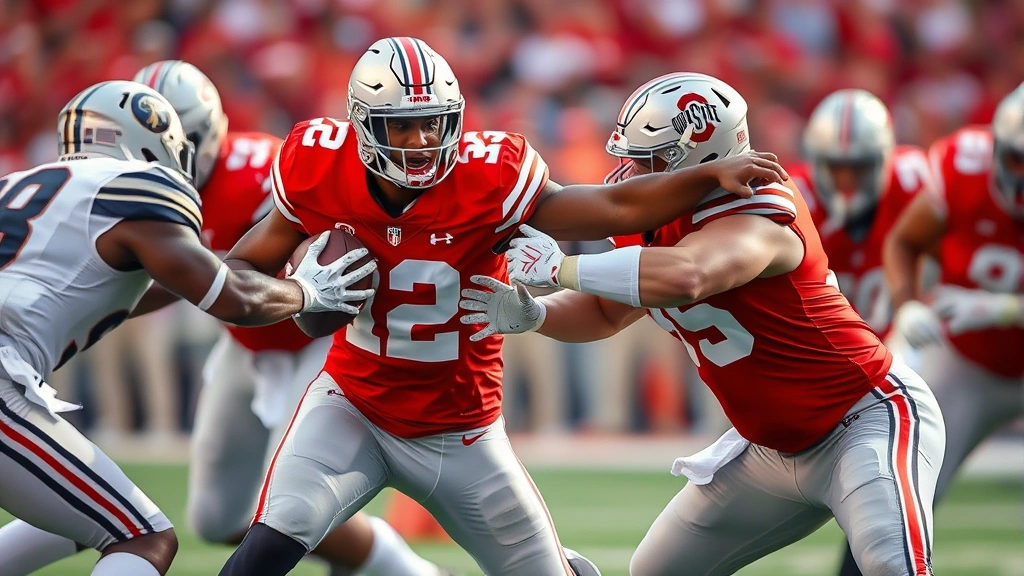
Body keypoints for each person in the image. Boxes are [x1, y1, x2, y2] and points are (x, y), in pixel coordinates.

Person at [216, 38, 786, 576]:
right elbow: (238, 275)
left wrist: (704, 174)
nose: (420, 141)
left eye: (432, 124)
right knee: (270, 539)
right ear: (363, 124)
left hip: (463, 429)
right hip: (352, 406)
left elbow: (610, 206)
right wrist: (303, 295)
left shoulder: (489, 174)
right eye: (403, 125)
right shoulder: (318, 168)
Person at [461, 72, 944, 576]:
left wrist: (561, 267)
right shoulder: (653, 219)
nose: (631, 172)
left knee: (893, 566)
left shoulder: (759, 208)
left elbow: (688, 276)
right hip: (769, 450)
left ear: (706, 159)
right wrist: (537, 314)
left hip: (860, 420)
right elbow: (606, 312)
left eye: (652, 160)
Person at [0, 61, 451, 576]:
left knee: (295, 500)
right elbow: (207, 286)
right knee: (218, 517)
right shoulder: (138, 190)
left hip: (312, 342)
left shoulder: (260, 168)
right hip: (247, 337)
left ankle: (406, 572)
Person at [837, 83, 1024, 576]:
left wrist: (1007, 309)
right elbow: (905, 241)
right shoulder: (965, 168)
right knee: (898, 490)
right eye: (1020, 160)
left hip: (991, 338)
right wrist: (907, 305)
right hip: (968, 362)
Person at [795, 88, 933, 337]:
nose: (847, 181)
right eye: (836, 168)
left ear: (884, 159)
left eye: (859, 168)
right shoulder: (794, 199)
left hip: (902, 340)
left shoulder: (915, 181)